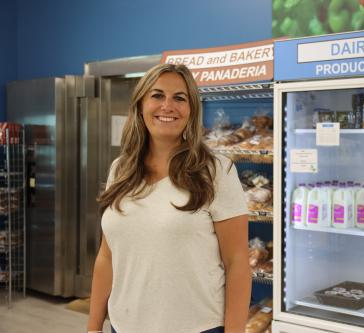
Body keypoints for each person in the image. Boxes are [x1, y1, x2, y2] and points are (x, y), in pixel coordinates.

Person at [86, 63, 251, 333]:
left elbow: (237, 262)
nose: (168, 106)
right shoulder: (121, 169)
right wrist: (93, 327)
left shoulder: (216, 171)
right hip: (123, 326)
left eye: (179, 98)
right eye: (157, 95)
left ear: (191, 110)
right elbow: (107, 256)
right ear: (140, 105)